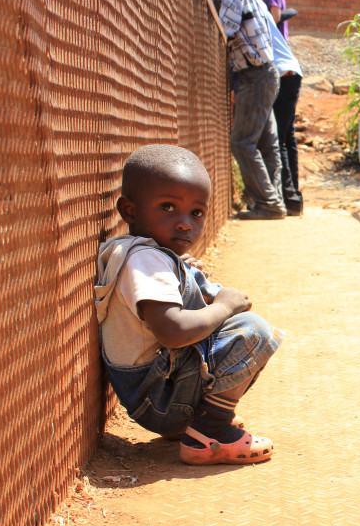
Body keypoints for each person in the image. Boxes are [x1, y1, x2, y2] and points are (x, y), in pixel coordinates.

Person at [95, 144, 282, 465]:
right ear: (129, 211)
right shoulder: (146, 261)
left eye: (196, 212)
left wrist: (187, 275)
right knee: (252, 332)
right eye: (168, 207)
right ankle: (209, 430)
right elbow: (173, 331)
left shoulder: (138, 252)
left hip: (153, 393)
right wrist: (224, 305)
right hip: (158, 398)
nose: (185, 223)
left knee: (236, 328)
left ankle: (200, 420)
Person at [213, 0, 286, 220]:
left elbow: (225, 31)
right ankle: (273, 201)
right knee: (267, 143)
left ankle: (268, 203)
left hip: (254, 77)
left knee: (242, 143)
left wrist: (213, 5)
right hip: (266, 74)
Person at [253, 0, 304, 216]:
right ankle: (294, 197)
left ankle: (286, 197)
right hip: (292, 71)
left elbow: (274, 18)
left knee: (279, 139)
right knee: (288, 137)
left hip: (282, 72)